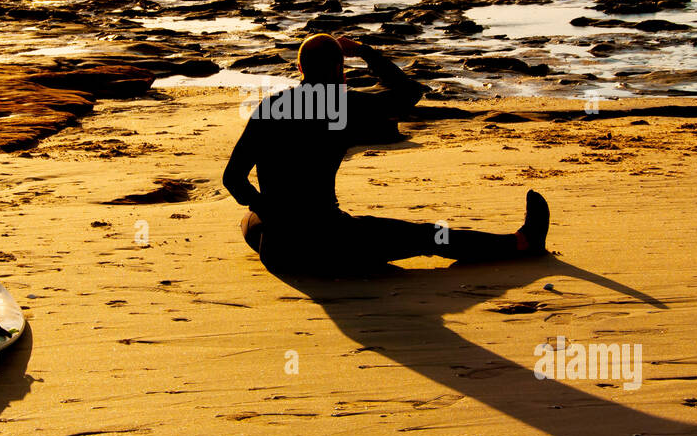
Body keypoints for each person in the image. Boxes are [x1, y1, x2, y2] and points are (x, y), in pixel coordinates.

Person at [223, 33, 550, 276]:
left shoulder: (270, 108)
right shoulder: (344, 106)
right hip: (329, 247)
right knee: (426, 235)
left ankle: (281, 225)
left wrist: (269, 208)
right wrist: (366, 51)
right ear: (341, 69)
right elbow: (408, 93)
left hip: (279, 253)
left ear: (299, 67)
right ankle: (522, 243)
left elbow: (233, 179)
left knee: (251, 222)